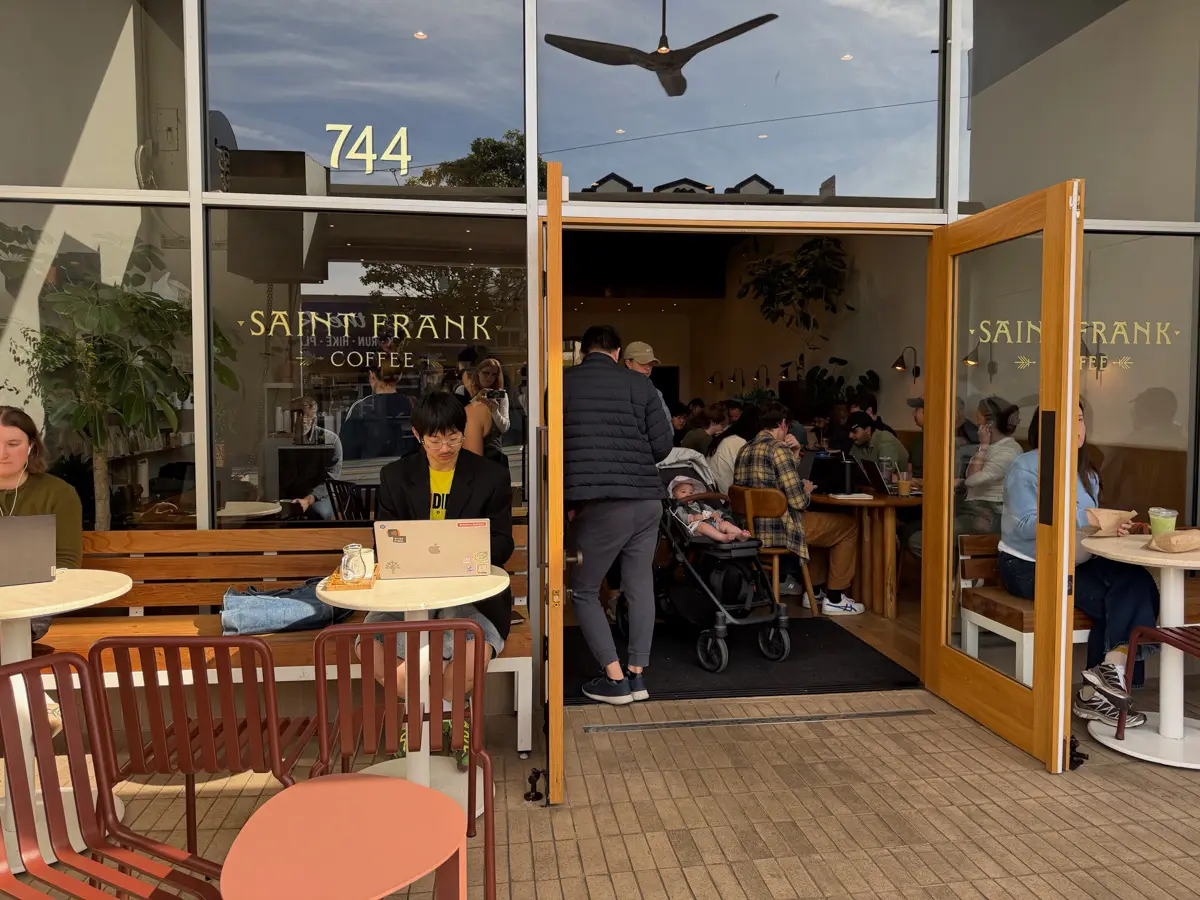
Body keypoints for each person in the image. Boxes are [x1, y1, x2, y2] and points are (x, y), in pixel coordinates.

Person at [363, 392, 515, 764]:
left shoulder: (490, 476)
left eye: (454, 437)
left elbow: (504, 542)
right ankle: (428, 716)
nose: (445, 447)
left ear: (464, 433)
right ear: (418, 436)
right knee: (373, 651)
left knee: (458, 672)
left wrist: (463, 550)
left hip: (472, 594)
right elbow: (386, 541)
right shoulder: (396, 476)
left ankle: (436, 718)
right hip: (408, 594)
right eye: (435, 439)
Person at [998, 402, 1158, 728]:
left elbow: (1086, 530)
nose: (1078, 427)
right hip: (1028, 564)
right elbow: (1025, 527)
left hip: (1079, 558)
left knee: (1139, 581)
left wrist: (1111, 526)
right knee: (1113, 602)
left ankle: (1105, 675)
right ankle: (1094, 697)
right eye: (1069, 420)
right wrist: (1084, 517)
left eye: (1081, 419)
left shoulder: (1088, 474)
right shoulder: (1027, 467)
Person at [564, 325, 672, 704]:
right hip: (646, 500)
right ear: (618, 351)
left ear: (582, 351)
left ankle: (614, 679)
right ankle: (637, 676)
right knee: (639, 587)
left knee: (584, 589)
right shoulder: (641, 386)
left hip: (599, 502)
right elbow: (662, 446)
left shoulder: (563, 383)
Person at [733, 402, 862, 615]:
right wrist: (807, 489)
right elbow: (799, 501)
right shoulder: (777, 449)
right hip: (781, 529)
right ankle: (835, 597)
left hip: (750, 530)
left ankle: (815, 591)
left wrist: (794, 453)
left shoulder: (744, 449)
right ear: (783, 424)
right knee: (848, 526)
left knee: (823, 527)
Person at [1, 406, 84, 736]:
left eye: (12, 443)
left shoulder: (58, 493)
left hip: (38, 599)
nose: (2, 453)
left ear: (31, 447)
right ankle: (38, 701)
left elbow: (67, 560)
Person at [341, 365, 417, 460]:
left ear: (371, 376)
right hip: (407, 469)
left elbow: (347, 451)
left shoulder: (361, 408)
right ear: (400, 376)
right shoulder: (413, 404)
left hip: (368, 471)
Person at [293, 397, 343, 520]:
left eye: (304, 420)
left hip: (321, 494)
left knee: (320, 513)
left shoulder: (330, 441)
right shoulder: (278, 441)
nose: (299, 422)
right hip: (292, 492)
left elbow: (331, 478)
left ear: (313, 420)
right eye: (295, 419)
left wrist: (308, 499)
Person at [669, 476, 751, 542]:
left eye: (691, 493)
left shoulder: (698, 505)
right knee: (703, 526)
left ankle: (740, 535)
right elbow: (681, 518)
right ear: (673, 493)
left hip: (712, 524)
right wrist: (693, 518)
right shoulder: (677, 508)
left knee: (725, 523)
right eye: (683, 492)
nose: (688, 495)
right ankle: (723, 537)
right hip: (694, 530)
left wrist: (716, 515)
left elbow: (713, 511)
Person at [460, 360, 508, 467]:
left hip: (493, 451)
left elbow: (504, 427)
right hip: (468, 448)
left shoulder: (499, 395)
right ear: (478, 372)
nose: (489, 377)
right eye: (486, 373)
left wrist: (495, 411)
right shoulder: (463, 391)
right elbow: (459, 417)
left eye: (494, 375)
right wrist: (476, 400)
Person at [707, 404, 760, 495]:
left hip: (716, 494)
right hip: (726, 498)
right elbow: (752, 479)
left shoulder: (728, 436)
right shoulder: (738, 442)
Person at [622, 341, 671, 422]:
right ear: (628, 363)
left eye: (650, 364)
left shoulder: (655, 393)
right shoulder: (615, 391)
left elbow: (667, 426)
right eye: (642, 363)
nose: (648, 368)